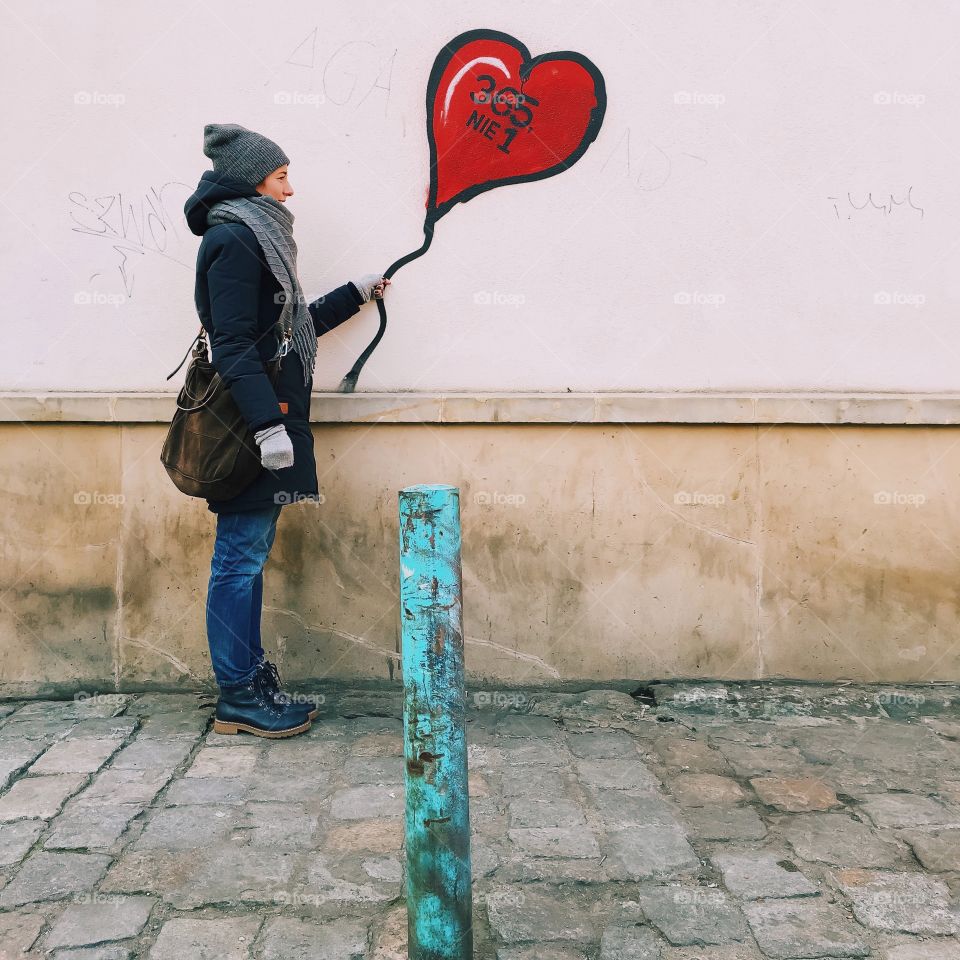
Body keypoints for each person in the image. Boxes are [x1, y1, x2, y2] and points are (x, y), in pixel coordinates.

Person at [182, 123, 390, 738]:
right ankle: (238, 694)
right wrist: (269, 427)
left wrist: (353, 295)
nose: (289, 190)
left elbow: (286, 327)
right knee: (237, 560)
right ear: (252, 180)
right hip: (251, 425)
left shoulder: (258, 236)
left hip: (268, 417)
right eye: (280, 177)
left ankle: (248, 682)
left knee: (246, 558)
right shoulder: (234, 239)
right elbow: (233, 344)